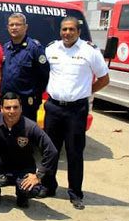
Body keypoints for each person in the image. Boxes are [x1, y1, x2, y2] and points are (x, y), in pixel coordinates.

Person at [41, 16, 110, 210]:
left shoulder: (90, 52)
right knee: (51, 150)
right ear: (60, 31)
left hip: (76, 110)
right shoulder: (51, 49)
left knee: (74, 152)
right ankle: (48, 186)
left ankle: (75, 193)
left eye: (71, 29)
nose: (67, 33)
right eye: (64, 29)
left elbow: (104, 79)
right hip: (53, 107)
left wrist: (87, 92)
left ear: (78, 32)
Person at [0, 92, 58, 210]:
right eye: (7, 108)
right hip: (2, 159)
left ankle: (22, 197)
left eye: (15, 107)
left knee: (30, 190)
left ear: (21, 109)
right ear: (1, 109)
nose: (12, 111)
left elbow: (51, 151)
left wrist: (38, 175)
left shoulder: (31, 127)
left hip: (24, 165)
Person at [2, 12, 50, 121]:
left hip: (26, 103)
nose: (14, 27)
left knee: (25, 134)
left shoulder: (35, 48)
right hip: (7, 101)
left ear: (25, 27)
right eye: (11, 25)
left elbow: (45, 75)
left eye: (18, 24)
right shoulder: (6, 48)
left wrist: (34, 95)